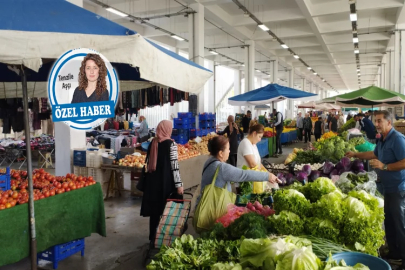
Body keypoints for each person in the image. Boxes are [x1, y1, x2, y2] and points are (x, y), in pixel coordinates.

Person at [345, 110, 405, 269]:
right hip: (388, 188)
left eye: (379, 121)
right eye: (375, 121)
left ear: (389, 122)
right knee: (390, 223)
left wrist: (385, 166)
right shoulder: (383, 139)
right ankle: (394, 254)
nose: (376, 124)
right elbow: (373, 154)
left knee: (400, 225)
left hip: (398, 189)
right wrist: (356, 154)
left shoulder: (398, 139)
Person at [196, 136, 280, 205]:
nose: (229, 151)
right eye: (228, 149)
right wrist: (268, 176)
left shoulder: (208, 162)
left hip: (204, 204)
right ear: (221, 153)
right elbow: (245, 175)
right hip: (215, 209)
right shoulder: (222, 168)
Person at [140, 120, 184, 246]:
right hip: (166, 184)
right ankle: (164, 239)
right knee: (167, 212)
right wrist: (179, 185)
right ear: (167, 129)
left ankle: (153, 238)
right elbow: (174, 167)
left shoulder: (153, 143)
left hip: (152, 184)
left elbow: (148, 163)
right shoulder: (171, 144)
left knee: (155, 212)